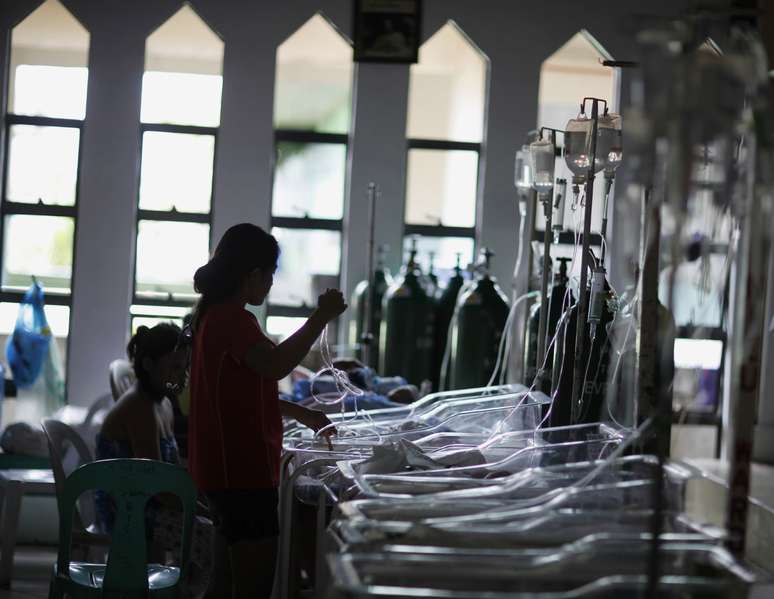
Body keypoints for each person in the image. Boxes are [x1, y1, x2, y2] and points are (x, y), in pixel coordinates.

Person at [188, 223, 345, 598]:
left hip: (225, 472)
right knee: (252, 586)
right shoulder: (231, 319)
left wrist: (301, 413)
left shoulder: (216, 315)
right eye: (270, 275)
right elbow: (274, 365)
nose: (271, 284)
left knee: (225, 585)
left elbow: (243, 391)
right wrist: (320, 317)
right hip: (240, 473)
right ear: (252, 274)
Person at [95, 323, 213, 598]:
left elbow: (171, 474)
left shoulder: (164, 404)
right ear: (148, 364)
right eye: (173, 368)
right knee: (210, 537)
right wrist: (203, 509)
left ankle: (183, 590)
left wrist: (204, 499)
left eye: (184, 368)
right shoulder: (139, 408)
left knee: (214, 526)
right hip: (128, 510)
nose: (181, 377)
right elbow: (159, 489)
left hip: (150, 504)